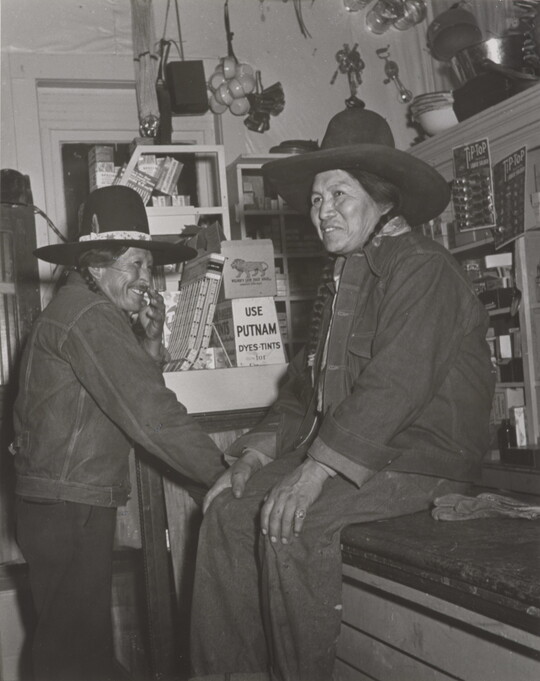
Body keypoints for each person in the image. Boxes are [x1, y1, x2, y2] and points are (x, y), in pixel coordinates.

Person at [189, 104, 496, 681]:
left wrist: (312, 474)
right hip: (361, 456)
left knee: (290, 524)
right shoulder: (344, 278)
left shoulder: (422, 268)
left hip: (422, 459)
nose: (321, 212)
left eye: (338, 196)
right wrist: (253, 454)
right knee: (227, 514)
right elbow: (304, 393)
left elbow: (393, 385)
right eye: (316, 199)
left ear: (382, 199)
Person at [11, 185, 227, 681]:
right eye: (134, 263)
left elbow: (124, 396)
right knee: (76, 660)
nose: (144, 278)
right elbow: (151, 416)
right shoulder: (91, 317)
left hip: (60, 504)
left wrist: (149, 346)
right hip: (71, 508)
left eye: (148, 265)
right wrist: (228, 475)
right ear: (97, 264)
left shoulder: (82, 309)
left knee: (71, 652)